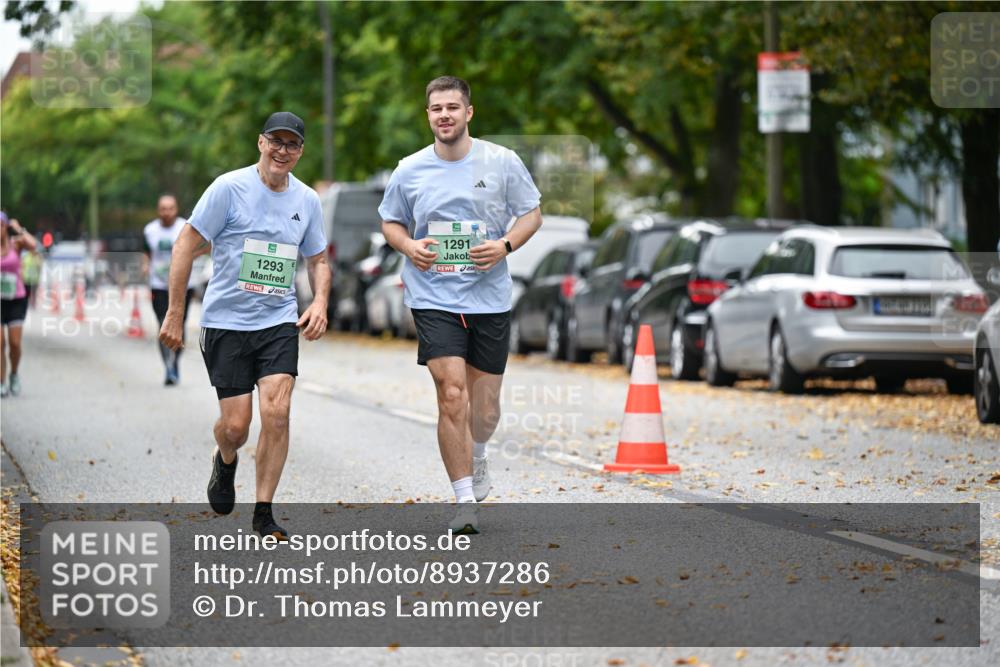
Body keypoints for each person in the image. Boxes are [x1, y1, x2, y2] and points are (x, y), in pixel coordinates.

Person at [379, 76, 543, 534]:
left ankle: (479, 452)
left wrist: (505, 246)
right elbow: (390, 222)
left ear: (468, 112)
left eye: (453, 107)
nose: (444, 115)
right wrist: (409, 247)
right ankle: (464, 501)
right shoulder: (409, 169)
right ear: (428, 115)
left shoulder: (501, 161)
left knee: (484, 410)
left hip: (489, 297)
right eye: (436, 108)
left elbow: (532, 213)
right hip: (433, 296)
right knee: (452, 392)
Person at [159, 112, 330, 540]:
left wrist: (321, 301)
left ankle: (264, 512)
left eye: (292, 144)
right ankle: (225, 457)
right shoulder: (228, 188)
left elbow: (319, 259)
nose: (282, 150)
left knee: (278, 411)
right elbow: (185, 245)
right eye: (276, 141)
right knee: (236, 426)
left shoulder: (307, 201)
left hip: (277, 322)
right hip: (226, 323)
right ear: (260, 142)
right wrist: (175, 312)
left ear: (300, 152)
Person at [144, 194, 200, 385]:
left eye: (170, 208)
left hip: (185, 284)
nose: (166, 212)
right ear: (158, 210)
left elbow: (203, 246)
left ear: (176, 209)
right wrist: (145, 267)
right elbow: (146, 253)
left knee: (179, 325)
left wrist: (193, 256)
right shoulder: (150, 230)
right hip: (159, 285)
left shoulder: (185, 227)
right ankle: (168, 366)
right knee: (163, 325)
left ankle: (175, 361)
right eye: (163, 208)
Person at [1, 212, 39, 397]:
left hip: (16, 298)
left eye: (1, 224)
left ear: (6, 226)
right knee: (0, 343)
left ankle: (14, 374)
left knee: (14, 343)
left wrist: (19, 229)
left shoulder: (16, 244)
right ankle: (1, 382)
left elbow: (34, 245)